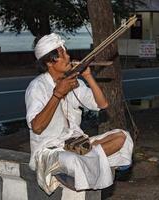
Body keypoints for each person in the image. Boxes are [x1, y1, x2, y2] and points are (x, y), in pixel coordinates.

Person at [25, 33, 133, 198]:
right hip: (50, 150)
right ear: (49, 62)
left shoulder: (74, 82)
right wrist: (57, 95)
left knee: (122, 137)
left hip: (76, 143)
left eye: (66, 52)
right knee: (72, 160)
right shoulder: (37, 87)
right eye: (62, 54)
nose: (68, 56)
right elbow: (37, 127)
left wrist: (88, 76)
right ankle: (91, 163)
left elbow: (102, 105)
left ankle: (88, 162)